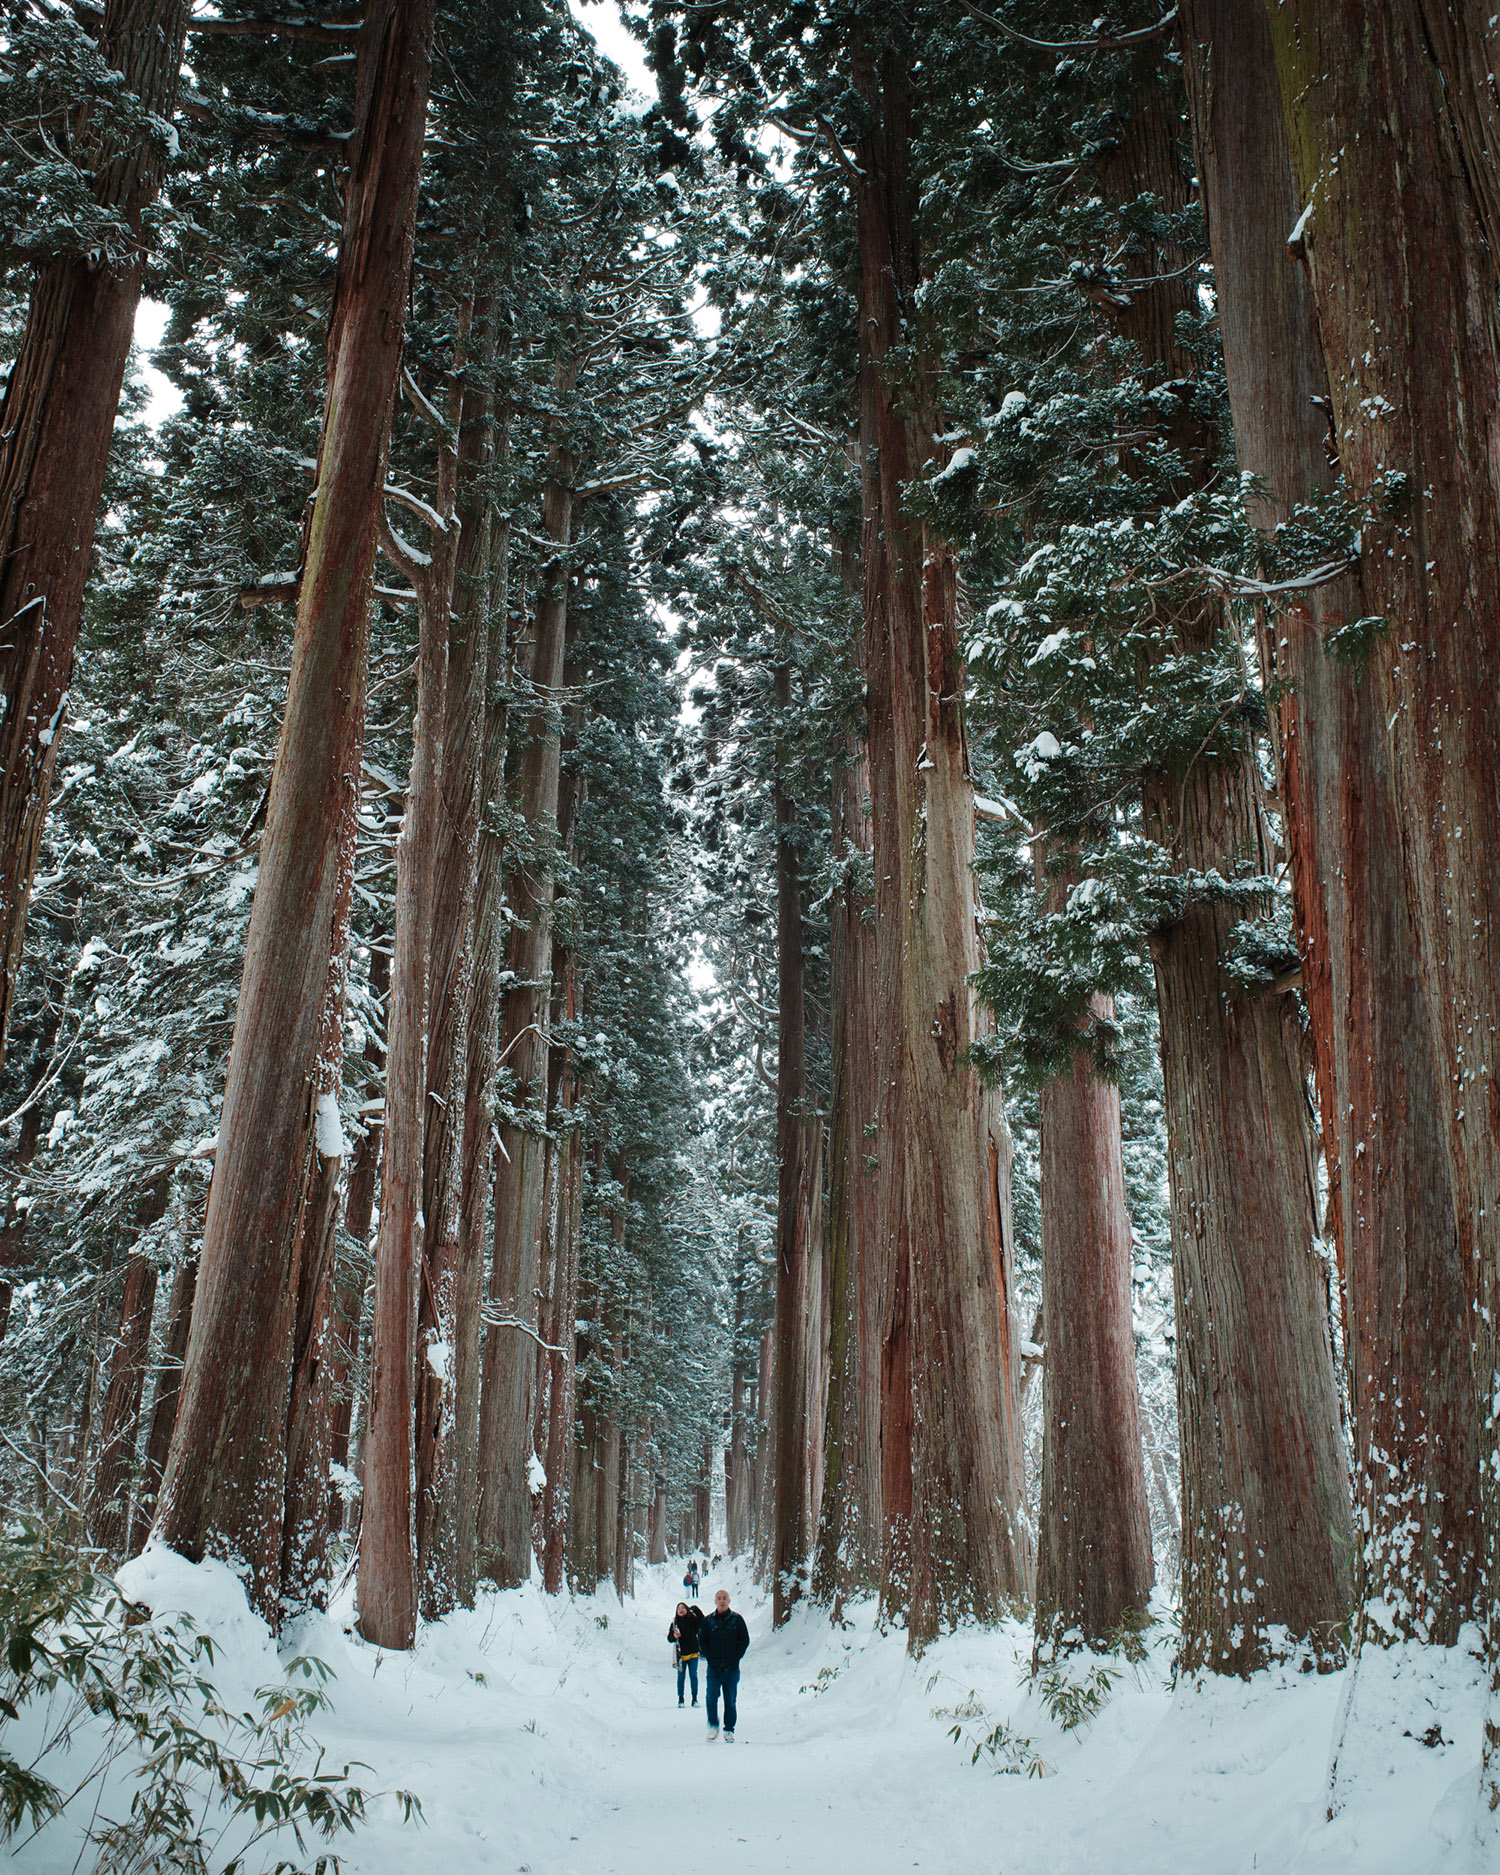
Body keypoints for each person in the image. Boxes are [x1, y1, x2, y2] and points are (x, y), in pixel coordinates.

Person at [698, 1586, 749, 1742]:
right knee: (711, 1697)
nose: (721, 1601)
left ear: (729, 1601)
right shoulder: (708, 1621)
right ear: (715, 1601)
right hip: (714, 1668)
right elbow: (702, 1641)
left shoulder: (737, 1619)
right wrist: (709, 1656)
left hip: (731, 1668)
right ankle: (713, 1725)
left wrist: (736, 1657)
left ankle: (729, 1730)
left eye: (724, 1598)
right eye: (719, 1598)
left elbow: (744, 1640)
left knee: (730, 1700)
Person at [668, 1601, 703, 1708]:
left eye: (683, 1608)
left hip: (693, 1653)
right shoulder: (675, 1623)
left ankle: (694, 1698)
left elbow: (703, 1621)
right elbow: (669, 1638)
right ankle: (681, 1698)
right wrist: (674, 1636)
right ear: (676, 1612)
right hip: (681, 1655)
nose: (681, 1610)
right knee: (681, 1677)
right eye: (679, 1608)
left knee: (693, 1675)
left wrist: (696, 1609)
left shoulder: (693, 1620)